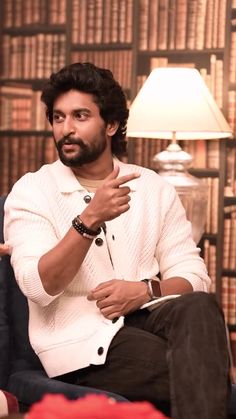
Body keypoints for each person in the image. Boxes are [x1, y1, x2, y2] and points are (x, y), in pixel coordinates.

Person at [4, 62, 230, 419]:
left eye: (80, 116)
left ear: (110, 124)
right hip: (80, 346)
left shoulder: (153, 187)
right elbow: (37, 285)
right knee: (205, 370)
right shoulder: (32, 192)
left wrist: (144, 291)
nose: (67, 129)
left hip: (147, 320)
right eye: (58, 118)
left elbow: (194, 277)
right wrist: (88, 219)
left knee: (199, 306)